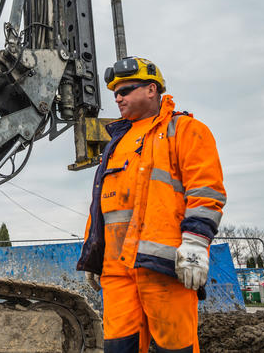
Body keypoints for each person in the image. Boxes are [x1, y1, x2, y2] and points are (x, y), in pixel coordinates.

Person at [77, 57, 226, 353]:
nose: (118, 97)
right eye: (115, 93)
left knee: (175, 347)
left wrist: (196, 243)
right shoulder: (117, 143)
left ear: (151, 89)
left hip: (166, 267)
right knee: (119, 347)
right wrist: (94, 252)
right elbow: (102, 205)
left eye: (126, 90)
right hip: (117, 271)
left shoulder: (186, 130)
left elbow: (206, 192)